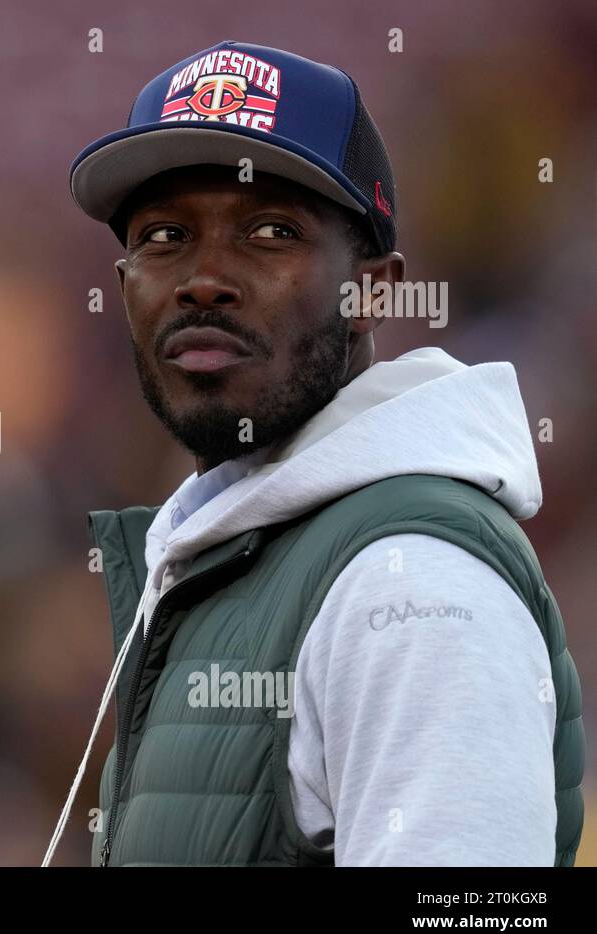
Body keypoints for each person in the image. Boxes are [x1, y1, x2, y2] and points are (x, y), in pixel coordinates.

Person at [42, 40, 584, 867]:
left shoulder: (413, 583)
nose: (204, 280)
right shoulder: (232, 555)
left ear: (374, 287)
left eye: (270, 230)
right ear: (123, 289)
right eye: (164, 235)